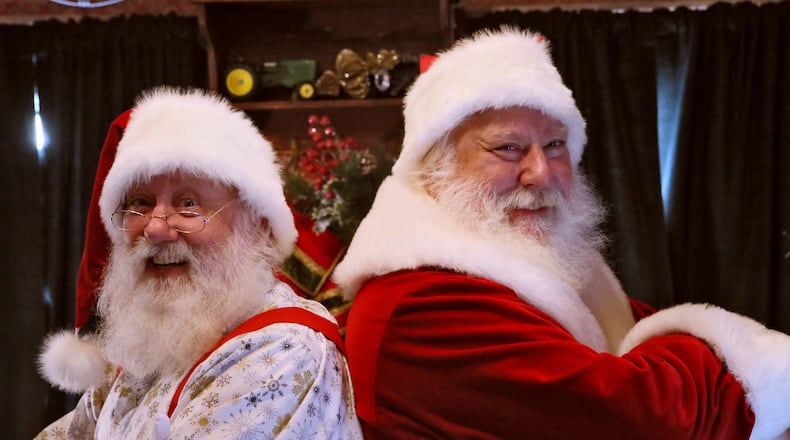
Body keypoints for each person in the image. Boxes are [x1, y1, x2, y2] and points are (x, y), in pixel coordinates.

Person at [332, 27, 790, 439]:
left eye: (554, 145)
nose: (541, 172)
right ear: (435, 169)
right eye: (508, 148)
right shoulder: (421, 301)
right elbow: (644, 419)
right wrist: (742, 353)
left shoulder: (530, 263)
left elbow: (645, 334)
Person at [36, 87, 363, 439]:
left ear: (257, 226)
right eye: (141, 203)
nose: (157, 228)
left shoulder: (285, 350)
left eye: (188, 203)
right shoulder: (147, 338)